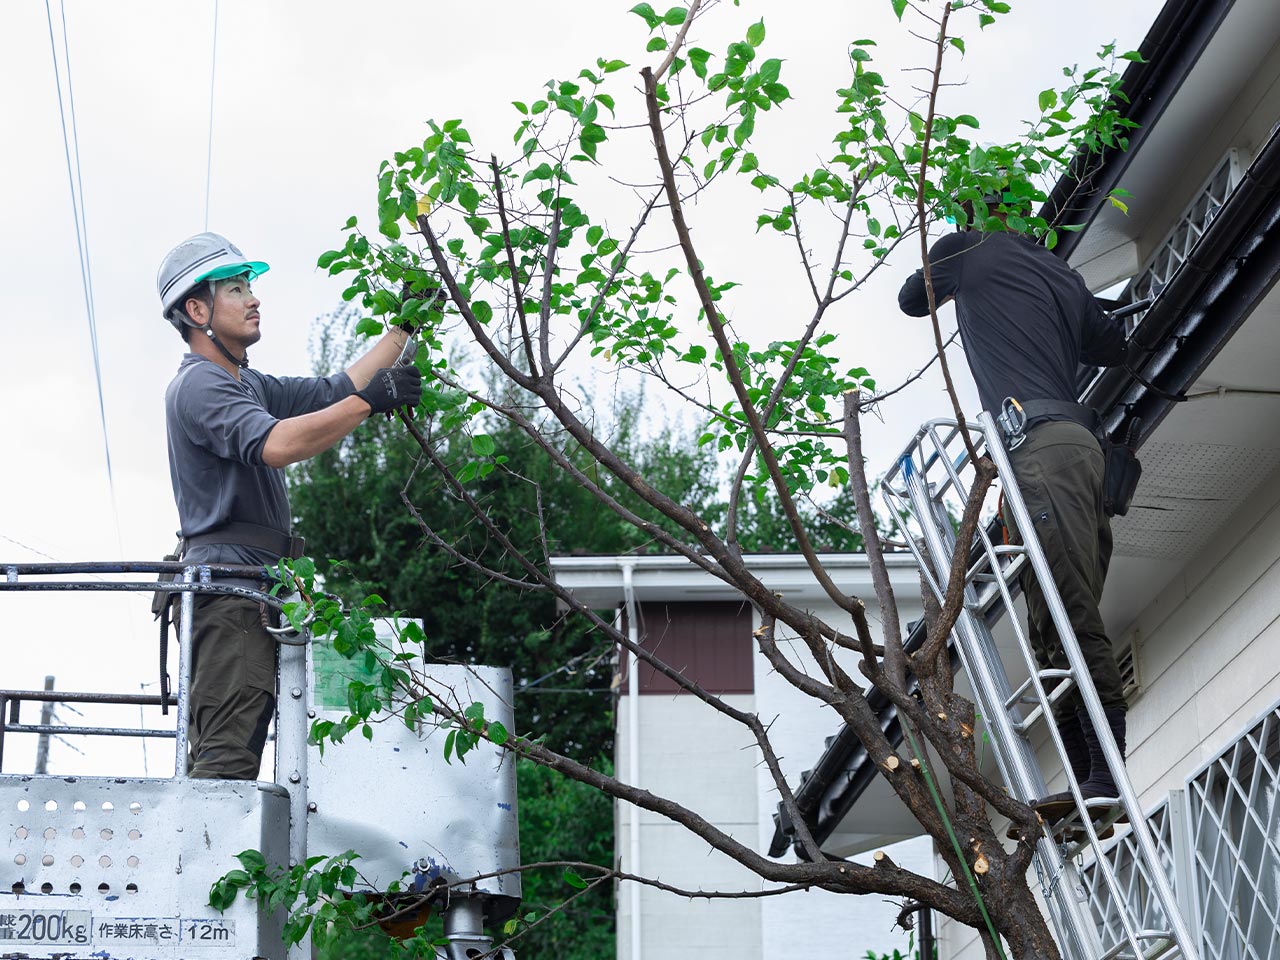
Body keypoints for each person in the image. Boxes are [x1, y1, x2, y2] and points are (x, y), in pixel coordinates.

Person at [157, 231, 422, 780]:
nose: (253, 298)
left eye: (249, 286)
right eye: (236, 290)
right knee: (227, 762)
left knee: (233, 751)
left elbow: (337, 389)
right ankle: (207, 841)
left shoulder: (245, 383)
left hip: (252, 589)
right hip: (230, 594)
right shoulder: (201, 386)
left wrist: (405, 324)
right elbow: (278, 444)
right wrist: (369, 404)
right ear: (197, 311)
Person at [897, 210, 1129, 817]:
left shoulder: (967, 251)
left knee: (1068, 611)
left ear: (974, 211)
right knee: (1050, 624)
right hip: (1074, 449)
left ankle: (1106, 775)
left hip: (1040, 449)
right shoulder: (1062, 273)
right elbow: (1112, 346)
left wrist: (953, 255)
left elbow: (911, 301)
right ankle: (1086, 781)